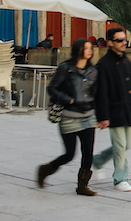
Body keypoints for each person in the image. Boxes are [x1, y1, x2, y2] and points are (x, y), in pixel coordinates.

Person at [36, 38, 98, 196]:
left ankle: (82, 186)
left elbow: (97, 93)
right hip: (69, 116)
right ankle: (45, 170)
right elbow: (52, 88)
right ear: (78, 50)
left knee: (88, 153)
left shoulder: (93, 71)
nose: (90, 51)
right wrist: (67, 99)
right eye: (86, 48)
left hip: (88, 116)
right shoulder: (65, 68)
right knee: (69, 154)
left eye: (91, 48)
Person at [93, 28, 131, 192]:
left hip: (128, 109)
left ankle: (97, 161)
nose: (123, 43)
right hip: (114, 111)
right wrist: (103, 116)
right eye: (119, 40)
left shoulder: (126, 60)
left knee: (126, 146)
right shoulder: (104, 64)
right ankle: (120, 178)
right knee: (120, 146)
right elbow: (101, 93)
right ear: (110, 43)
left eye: (124, 40)